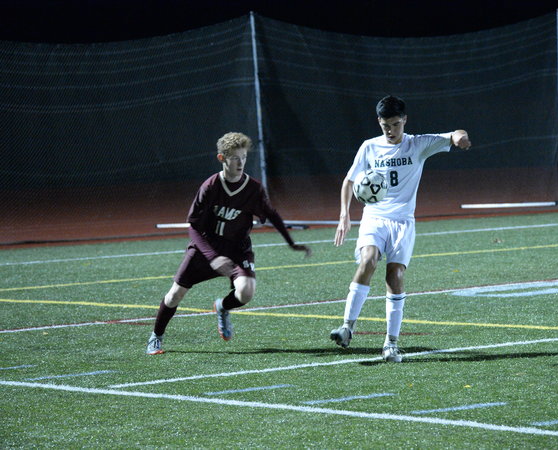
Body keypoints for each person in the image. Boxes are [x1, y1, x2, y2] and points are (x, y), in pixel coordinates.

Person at [330, 95, 471, 362]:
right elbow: (349, 181)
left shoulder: (417, 144)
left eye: (396, 124)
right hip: (374, 217)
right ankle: (347, 327)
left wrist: (460, 138)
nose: (391, 130)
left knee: (394, 276)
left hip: (403, 222)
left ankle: (391, 344)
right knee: (368, 260)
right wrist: (344, 215)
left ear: (405, 120)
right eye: (386, 126)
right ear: (379, 122)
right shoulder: (369, 147)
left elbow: (454, 134)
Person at [146, 132, 311, 355]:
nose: (240, 162)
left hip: (237, 250)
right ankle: (156, 336)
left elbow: (272, 215)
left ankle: (222, 307)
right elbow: (193, 227)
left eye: (244, 157)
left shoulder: (253, 188)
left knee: (246, 292)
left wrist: (292, 243)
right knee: (175, 294)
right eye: (234, 158)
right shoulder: (210, 186)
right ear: (221, 158)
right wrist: (212, 257)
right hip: (206, 248)